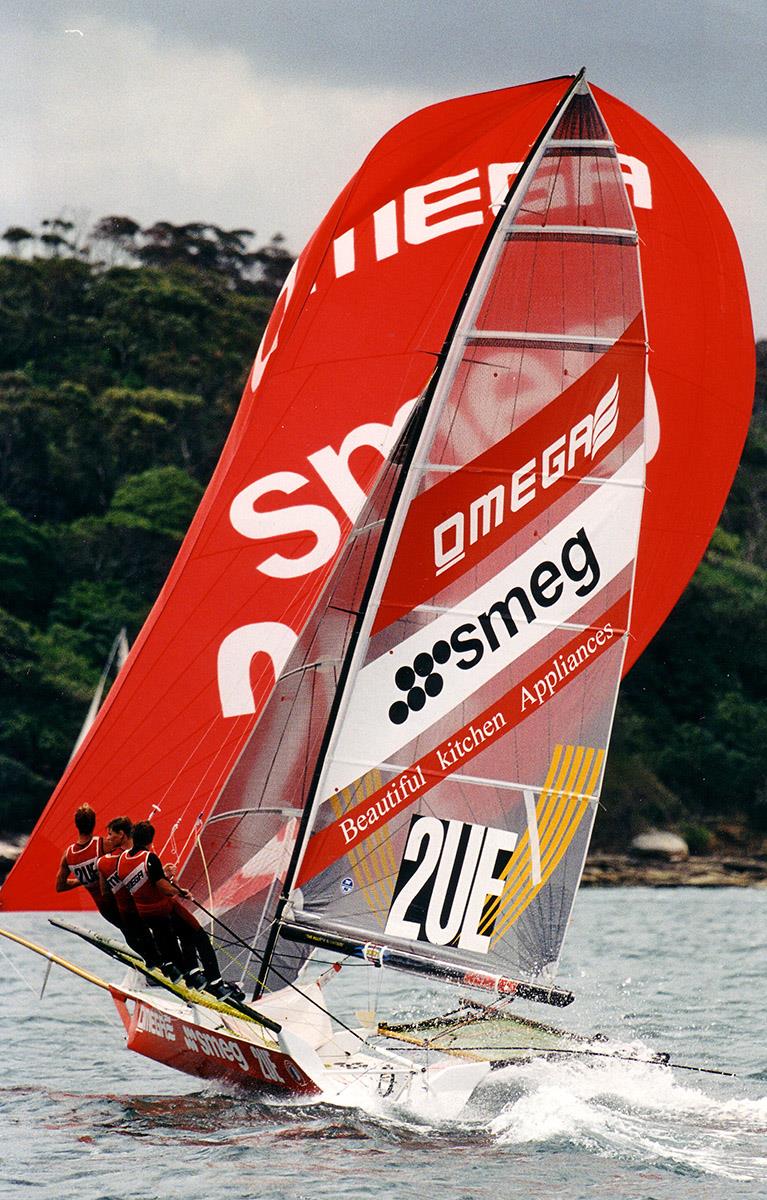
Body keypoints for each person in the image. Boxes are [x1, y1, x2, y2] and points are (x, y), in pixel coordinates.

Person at [116, 820, 243, 1001]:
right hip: (164, 909)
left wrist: (163, 874)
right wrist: (181, 892)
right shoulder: (149, 858)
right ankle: (216, 982)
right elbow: (163, 887)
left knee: (184, 936)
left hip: (145, 913)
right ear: (150, 841)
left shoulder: (122, 860)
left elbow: (146, 881)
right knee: (199, 935)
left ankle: (192, 975)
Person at [96, 816, 161, 970]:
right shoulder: (144, 854)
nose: (108, 838)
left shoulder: (106, 861)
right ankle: (160, 963)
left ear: (122, 834)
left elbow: (104, 891)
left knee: (137, 935)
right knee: (142, 935)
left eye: (111, 834)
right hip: (135, 911)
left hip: (136, 910)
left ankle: (158, 962)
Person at [55, 804, 122, 932]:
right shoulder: (104, 844)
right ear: (94, 823)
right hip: (119, 902)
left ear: (76, 825)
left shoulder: (68, 855)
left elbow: (60, 886)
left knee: (131, 935)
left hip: (105, 910)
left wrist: (83, 880)